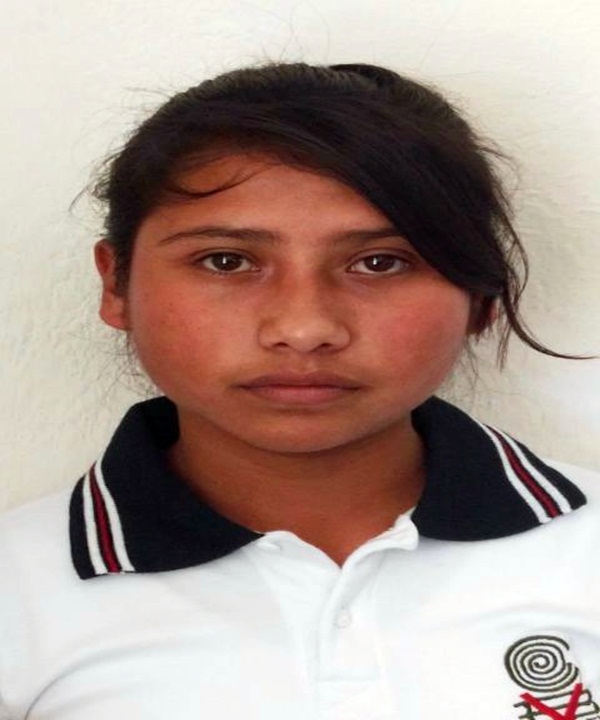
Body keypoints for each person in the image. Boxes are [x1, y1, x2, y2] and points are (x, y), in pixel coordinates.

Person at [0, 62, 598, 720]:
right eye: (226, 260)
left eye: (380, 262)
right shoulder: (18, 591)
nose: (304, 329)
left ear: (481, 296)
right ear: (116, 285)